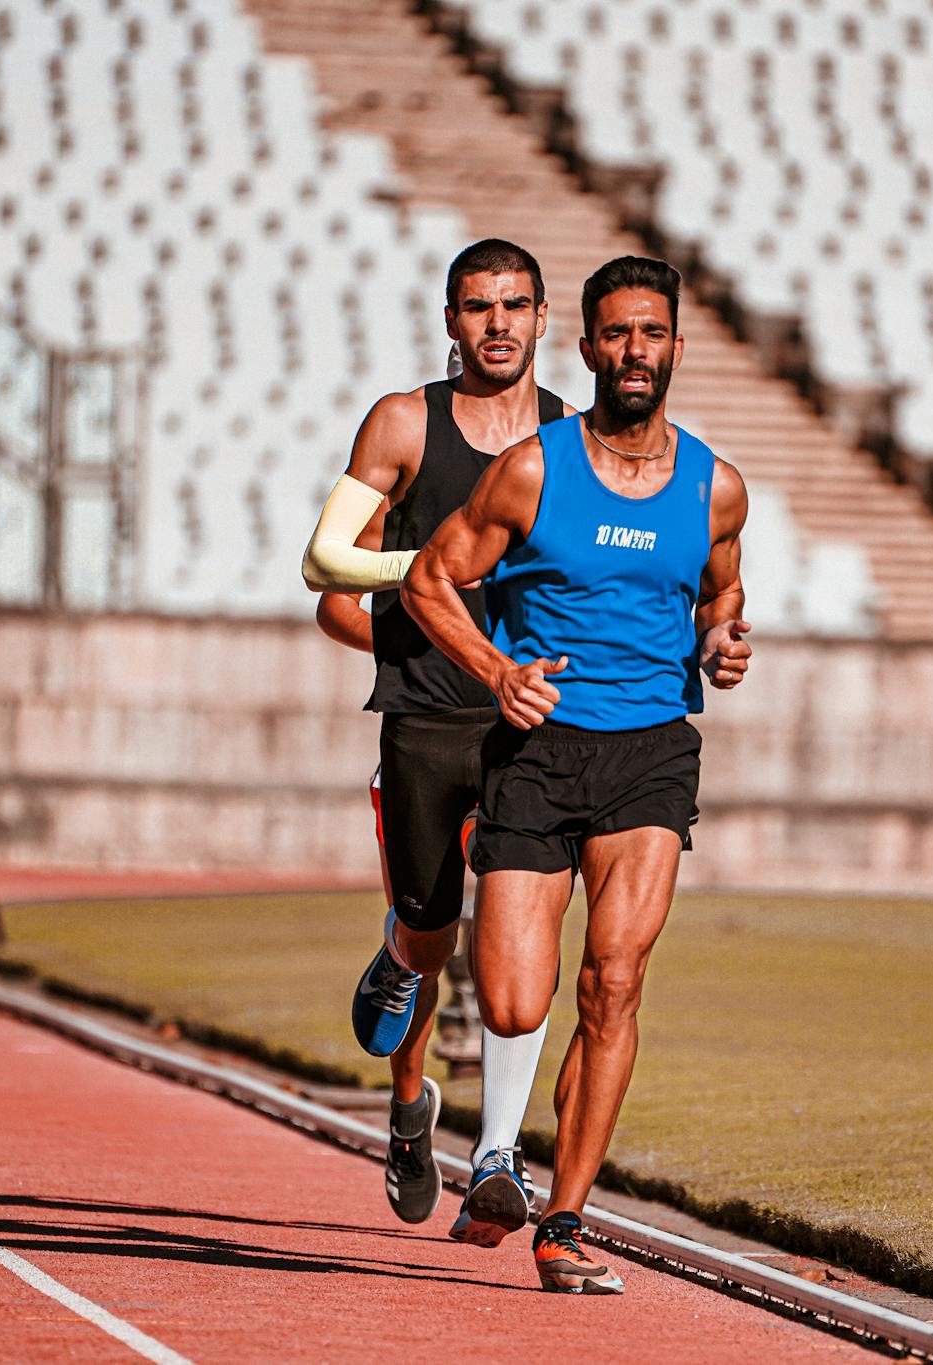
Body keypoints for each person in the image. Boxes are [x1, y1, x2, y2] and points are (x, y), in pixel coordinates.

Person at [404, 256, 752, 1294]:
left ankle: (563, 1221)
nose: (633, 352)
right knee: (514, 1001)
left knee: (614, 981)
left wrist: (724, 647)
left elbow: (719, 605)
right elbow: (431, 579)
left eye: (651, 334)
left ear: (675, 348)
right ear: (587, 347)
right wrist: (496, 671)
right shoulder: (531, 469)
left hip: (650, 753)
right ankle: (496, 1154)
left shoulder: (716, 487)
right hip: (537, 752)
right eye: (614, 334)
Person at [303, 239, 572, 1241]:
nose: (495, 323)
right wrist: (435, 579)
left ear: (545, 321)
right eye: (475, 306)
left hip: (530, 721)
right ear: (450, 320)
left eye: (514, 305)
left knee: (515, 931)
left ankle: (496, 1151)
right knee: (427, 936)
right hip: (421, 716)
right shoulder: (404, 422)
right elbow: (330, 577)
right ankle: (410, 1102)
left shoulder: (572, 442)